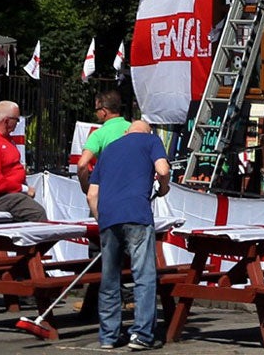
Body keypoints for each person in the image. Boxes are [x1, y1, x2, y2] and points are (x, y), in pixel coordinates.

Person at [88, 111, 170, 351]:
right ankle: (142, 334)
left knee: (110, 278)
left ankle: (108, 336)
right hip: (137, 214)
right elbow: (163, 170)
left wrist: (101, 217)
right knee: (143, 276)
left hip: (109, 216)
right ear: (148, 132)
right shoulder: (151, 141)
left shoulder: (111, 148)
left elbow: (92, 193)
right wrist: (163, 188)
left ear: (126, 132)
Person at [77, 89, 131, 188]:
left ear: (104, 111)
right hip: (134, 188)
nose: (96, 113)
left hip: (109, 187)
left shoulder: (98, 134)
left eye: (96, 109)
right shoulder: (133, 128)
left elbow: (82, 164)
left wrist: (85, 187)